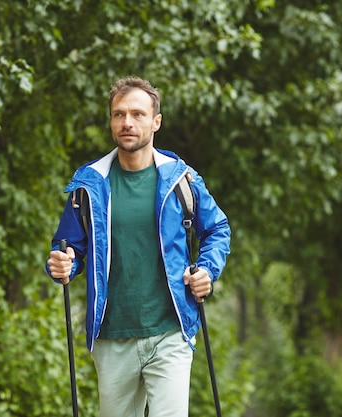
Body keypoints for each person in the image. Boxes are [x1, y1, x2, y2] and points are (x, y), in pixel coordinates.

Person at [46, 76, 230, 417]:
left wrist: (206, 269)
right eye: (118, 114)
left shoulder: (181, 180)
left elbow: (217, 229)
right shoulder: (89, 185)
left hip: (171, 330)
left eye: (137, 114)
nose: (127, 122)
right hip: (112, 334)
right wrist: (62, 264)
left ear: (155, 121)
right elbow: (69, 248)